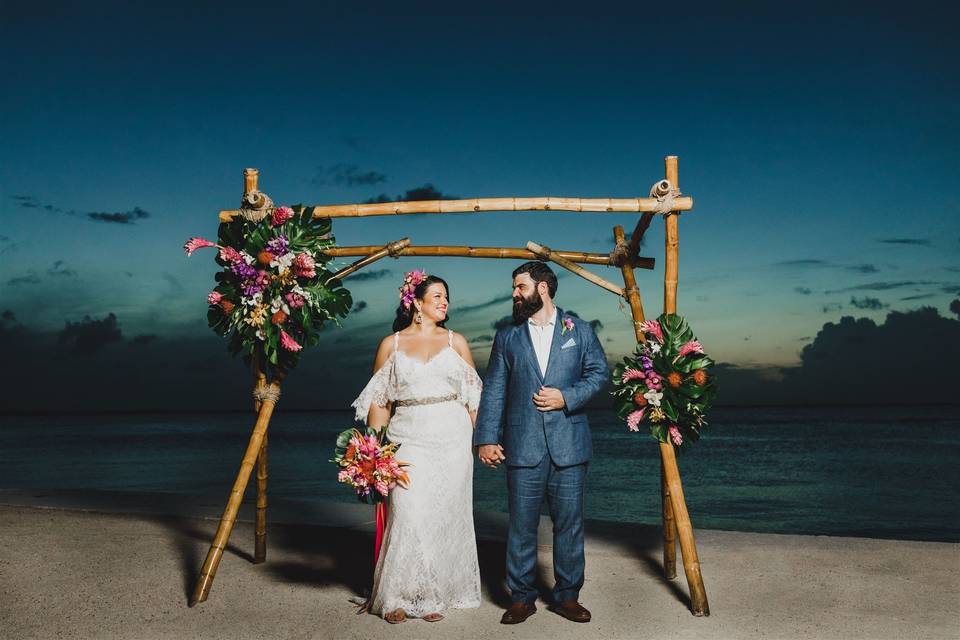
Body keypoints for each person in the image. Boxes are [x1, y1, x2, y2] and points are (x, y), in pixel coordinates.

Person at [474, 261, 608, 625]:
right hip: (523, 444)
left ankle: (568, 596)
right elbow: (495, 389)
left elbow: (599, 374)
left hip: (570, 445)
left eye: (520, 287)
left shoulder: (579, 330)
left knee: (570, 523)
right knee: (521, 525)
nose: (514, 294)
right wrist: (486, 438)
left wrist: (567, 397)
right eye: (515, 288)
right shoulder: (507, 337)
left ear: (543, 288)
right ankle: (521, 597)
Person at [351, 270, 482, 624]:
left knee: (442, 515)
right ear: (416, 303)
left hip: (452, 439)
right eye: (437, 296)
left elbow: (474, 400)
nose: (445, 302)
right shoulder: (390, 345)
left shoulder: (457, 342)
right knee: (408, 511)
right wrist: (374, 453)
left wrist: (477, 442)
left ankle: (432, 594)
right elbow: (380, 402)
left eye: (446, 297)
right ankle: (395, 594)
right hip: (407, 437)